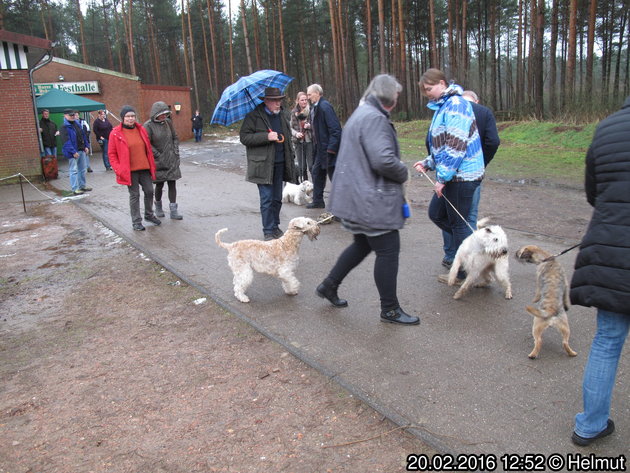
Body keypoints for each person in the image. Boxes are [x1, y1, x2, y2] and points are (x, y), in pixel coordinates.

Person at [316, 74, 419, 326]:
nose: (397, 100)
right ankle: (390, 309)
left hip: (358, 196)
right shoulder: (374, 118)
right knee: (388, 250)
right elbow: (382, 160)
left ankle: (329, 285)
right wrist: (403, 171)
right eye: (395, 96)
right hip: (371, 199)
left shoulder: (361, 113)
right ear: (388, 97)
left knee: (362, 244)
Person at [569, 96, 630, 447]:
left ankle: (590, 424)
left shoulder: (605, 129)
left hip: (611, 251)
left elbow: (594, 193)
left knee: (607, 341)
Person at [413, 69, 484, 285]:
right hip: (454, 176)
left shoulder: (456, 105)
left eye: (429, 89)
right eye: (425, 91)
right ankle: (474, 256)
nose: (427, 94)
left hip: (464, 177)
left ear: (442, 83)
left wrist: (442, 179)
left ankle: (469, 272)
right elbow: (442, 146)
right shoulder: (443, 106)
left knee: (459, 224)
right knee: (437, 215)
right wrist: (428, 162)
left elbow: (456, 146)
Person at [440, 90, 500, 268]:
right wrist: (482, 162)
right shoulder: (483, 112)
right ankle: (470, 261)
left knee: (449, 215)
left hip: (448, 173)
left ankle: (451, 256)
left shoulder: (447, 110)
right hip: (473, 174)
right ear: (476, 99)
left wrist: (441, 166)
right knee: (469, 217)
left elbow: (435, 141)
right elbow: (493, 141)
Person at [239, 87, 296, 240]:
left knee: (277, 198)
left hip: (280, 163)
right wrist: (266, 136)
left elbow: (288, 136)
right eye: (275, 100)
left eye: (280, 99)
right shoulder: (254, 116)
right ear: (266, 101)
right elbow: (244, 138)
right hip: (262, 165)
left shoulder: (283, 115)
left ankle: (275, 226)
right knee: (267, 199)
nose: (278, 103)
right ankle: (268, 230)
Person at [108, 105, 162, 231]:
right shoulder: (115, 133)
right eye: (128, 116)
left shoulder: (141, 130)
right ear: (122, 118)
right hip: (129, 170)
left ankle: (149, 215)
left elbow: (148, 148)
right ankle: (136, 221)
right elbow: (111, 154)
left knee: (149, 191)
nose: (131, 119)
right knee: (134, 195)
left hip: (144, 167)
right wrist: (118, 168)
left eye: (132, 116)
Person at [144, 101, 183, 220]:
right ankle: (158, 206)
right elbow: (147, 144)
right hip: (158, 161)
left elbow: (175, 137)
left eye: (166, 114)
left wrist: (175, 150)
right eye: (162, 114)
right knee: (159, 185)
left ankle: (173, 210)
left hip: (171, 159)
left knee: (172, 183)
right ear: (155, 114)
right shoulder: (148, 126)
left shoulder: (168, 123)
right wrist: (157, 155)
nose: (164, 116)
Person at [305, 83, 342, 209]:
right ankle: (318, 201)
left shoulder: (325, 107)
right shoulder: (315, 107)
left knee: (335, 178)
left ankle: (342, 208)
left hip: (328, 150)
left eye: (310, 94)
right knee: (317, 173)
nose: (308, 97)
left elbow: (336, 130)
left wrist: (331, 149)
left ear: (317, 93)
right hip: (320, 148)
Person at [60, 108, 91, 195]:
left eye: (74, 115)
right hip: (73, 153)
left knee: (82, 170)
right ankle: (75, 189)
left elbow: (83, 135)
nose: (73, 116)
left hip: (81, 150)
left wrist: (86, 146)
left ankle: (82, 186)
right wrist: (73, 152)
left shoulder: (77, 124)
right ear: (65, 116)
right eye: (71, 115)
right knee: (73, 170)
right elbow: (66, 141)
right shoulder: (63, 127)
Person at [289, 92, 313, 183]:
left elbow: (316, 125)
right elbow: (290, 127)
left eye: (305, 100)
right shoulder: (294, 112)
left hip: (309, 141)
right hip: (298, 142)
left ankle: (315, 187)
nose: (304, 102)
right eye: (302, 100)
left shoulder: (311, 110)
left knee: (311, 166)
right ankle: (304, 185)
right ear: (298, 101)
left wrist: (309, 126)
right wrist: (296, 134)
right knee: (302, 167)